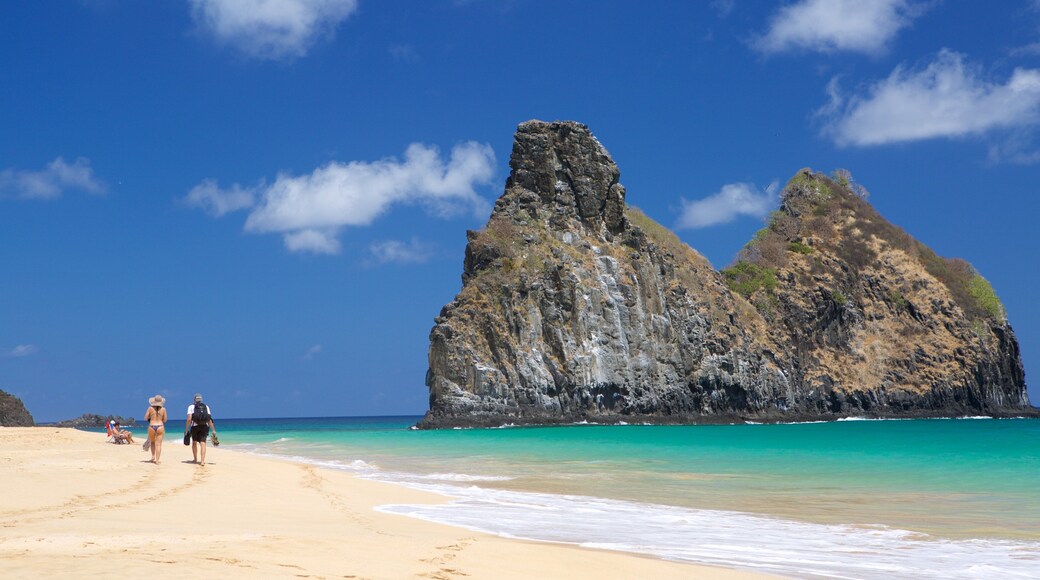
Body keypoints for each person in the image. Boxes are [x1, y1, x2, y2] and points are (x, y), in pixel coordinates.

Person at [185, 393, 217, 466]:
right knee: (203, 443)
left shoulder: (191, 407)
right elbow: (209, 419)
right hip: (204, 427)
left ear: (194, 400)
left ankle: (195, 459)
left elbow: (189, 419)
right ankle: (202, 461)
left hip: (195, 427)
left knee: (194, 442)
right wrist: (213, 430)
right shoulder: (206, 407)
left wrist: (186, 429)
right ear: (201, 399)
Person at [144, 394, 167, 464]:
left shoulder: (150, 408)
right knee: (159, 444)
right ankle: (157, 460)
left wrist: (151, 418)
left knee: (152, 442)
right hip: (160, 426)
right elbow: (165, 420)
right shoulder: (163, 409)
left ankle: (153, 456)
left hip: (152, 426)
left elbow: (145, 418)